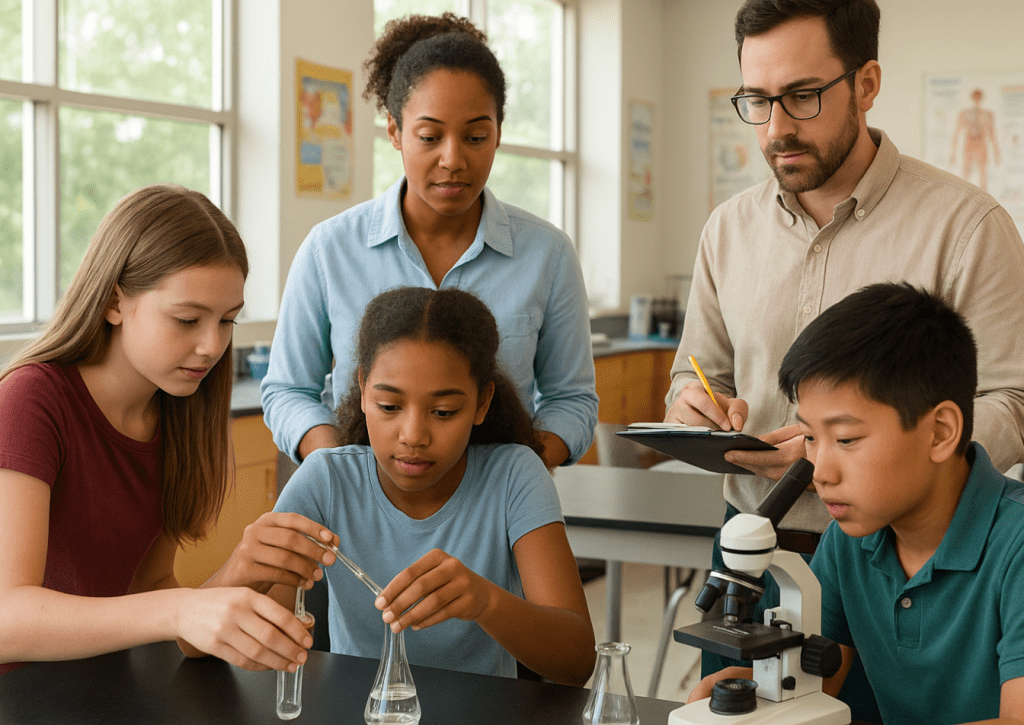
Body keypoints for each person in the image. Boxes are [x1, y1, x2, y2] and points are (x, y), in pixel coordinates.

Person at [663, 0, 1024, 712]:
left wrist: (867, 455)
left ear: (866, 83)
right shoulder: (727, 229)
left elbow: (1013, 402)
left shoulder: (966, 226)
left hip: (910, 561)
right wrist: (692, 406)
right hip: (751, 546)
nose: (776, 127)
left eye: (802, 95)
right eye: (756, 100)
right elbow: (693, 373)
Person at [0, 185, 341, 675]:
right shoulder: (31, 400)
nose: (211, 346)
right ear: (114, 302)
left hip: (101, 689)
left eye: (227, 321)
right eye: (187, 319)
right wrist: (182, 609)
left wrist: (240, 570)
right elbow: (8, 619)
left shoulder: (178, 413)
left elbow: (151, 590)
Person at [261, 13, 597, 471]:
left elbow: (572, 400)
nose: (453, 159)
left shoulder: (548, 255)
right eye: (429, 136)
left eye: (476, 136)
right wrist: (342, 470)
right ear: (395, 132)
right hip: (359, 500)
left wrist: (514, 479)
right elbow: (288, 390)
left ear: (498, 133)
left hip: (500, 507)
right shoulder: (329, 250)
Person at [690, 282, 1024, 724]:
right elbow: (814, 685)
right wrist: (757, 693)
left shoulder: (1016, 546)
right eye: (810, 437)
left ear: (941, 432)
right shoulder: (849, 542)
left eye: (846, 439)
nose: (820, 472)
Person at [270, 286, 596, 686]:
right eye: (389, 407)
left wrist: (486, 601)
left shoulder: (514, 475)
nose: (413, 435)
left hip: (484, 712)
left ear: (481, 403)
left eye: (443, 412)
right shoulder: (324, 480)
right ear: (363, 389)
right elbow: (261, 636)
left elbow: (577, 662)